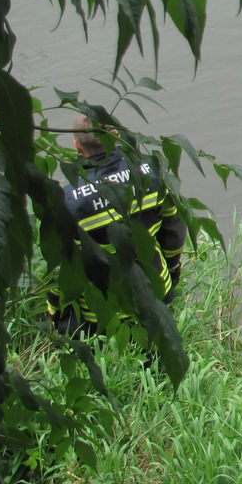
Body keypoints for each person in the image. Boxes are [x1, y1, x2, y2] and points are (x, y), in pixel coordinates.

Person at [47, 115, 188, 338]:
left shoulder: (67, 202)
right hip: (154, 294)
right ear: (116, 136)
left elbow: (59, 267)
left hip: (100, 313)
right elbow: (174, 231)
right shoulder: (151, 174)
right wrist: (172, 270)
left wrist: (55, 310)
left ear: (77, 146)